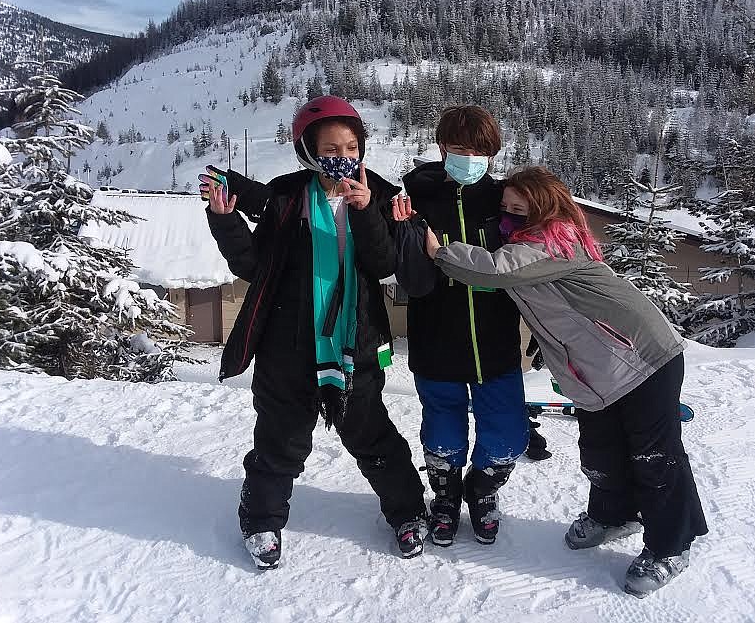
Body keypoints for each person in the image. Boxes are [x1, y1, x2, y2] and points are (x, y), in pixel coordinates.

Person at [421, 166, 708, 597]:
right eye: (505, 209)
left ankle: (671, 545)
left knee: (654, 457)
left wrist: (438, 252)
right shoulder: (531, 240)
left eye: (521, 209)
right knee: (601, 451)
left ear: (545, 208)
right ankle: (615, 515)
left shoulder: (554, 239)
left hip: (642, 356)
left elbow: (495, 271)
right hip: (594, 369)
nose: (510, 217)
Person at [204, 95, 428, 569]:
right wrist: (225, 222)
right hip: (287, 345)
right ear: (307, 150)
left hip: (356, 345)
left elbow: (385, 264)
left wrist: (367, 210)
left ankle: (408, 511)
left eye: (351, 145)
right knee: (280, 438)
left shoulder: (382, 194)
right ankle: (261, 519)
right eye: (330, 147)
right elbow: (253, 266)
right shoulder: (286, 196)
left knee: (372, 435)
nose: (342, 157)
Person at [392, 105, 529, 547]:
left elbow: (538, 256)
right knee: (443, 434)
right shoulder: (416, 200)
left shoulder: (506, 201)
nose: (469, 157)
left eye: (479, 150)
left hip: (496, 342)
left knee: (508, 435)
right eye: (458, 149)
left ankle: (481, 492)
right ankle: (446, 497)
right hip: (436, 341)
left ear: (491, 153)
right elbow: (404, 269)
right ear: (442, 148)